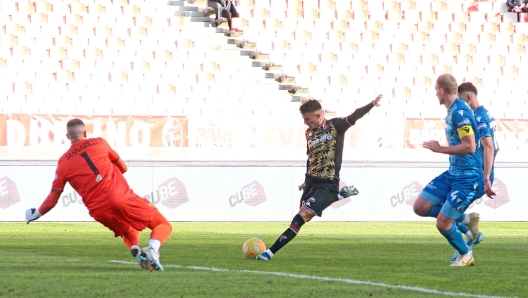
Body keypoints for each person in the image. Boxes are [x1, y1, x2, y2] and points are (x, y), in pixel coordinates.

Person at [25, 119, 172, 271]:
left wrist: (36, 214)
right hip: (120, 197)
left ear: (67, 137)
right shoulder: (100, 143)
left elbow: (53, 198)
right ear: (85, 133)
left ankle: (136, 250)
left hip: (98, 211)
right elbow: (123, 168)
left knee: (127, 230)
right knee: (162, 225)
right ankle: (152, 250)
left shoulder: (63, 162)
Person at [256, 95, 383, 261]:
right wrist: (306, 180)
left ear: (317, 115)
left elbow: (354, 115)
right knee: (305, 217)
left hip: (328, 183)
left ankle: (269, 253)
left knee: (301, 216)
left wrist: (371, 104)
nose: (305, 123)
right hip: (312, 182)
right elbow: (311, 158)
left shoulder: (335, 126)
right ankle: (339, 196)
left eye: (307, 119)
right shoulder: (309, 133)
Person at [413, 74, 485, 267]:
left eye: (436, 90)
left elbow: (469, 146)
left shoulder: (460, 112)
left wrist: (440, 149)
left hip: (468, 177)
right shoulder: (453, 111)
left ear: (442, 90)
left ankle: (466, 253)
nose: (436, 93)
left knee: (443, 223)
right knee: (420, 207)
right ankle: (466, 220)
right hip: (453, 173)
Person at [445, 82, 500, 262]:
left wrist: (486, 177)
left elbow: (489, 147)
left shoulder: (479, 118)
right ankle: (470, 235)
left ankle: (469, 240)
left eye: (461, 101)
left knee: (447, 210)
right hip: (475, 171)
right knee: (446, 207)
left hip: (477, 174)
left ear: (468, 98)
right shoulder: (483, 114)